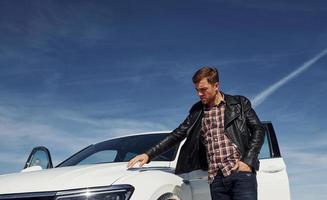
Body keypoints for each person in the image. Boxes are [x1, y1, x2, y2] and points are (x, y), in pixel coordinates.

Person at [127, 66, 265, 200]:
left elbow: (258, 129)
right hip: (215, 179)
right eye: (197, 90)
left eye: (203, 89)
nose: (199, 94)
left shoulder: (239, 103)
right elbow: (177, 134)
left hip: (240, 173)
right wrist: (148, 154)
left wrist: (247, 161)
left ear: (216, 86)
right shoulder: (197, 111)